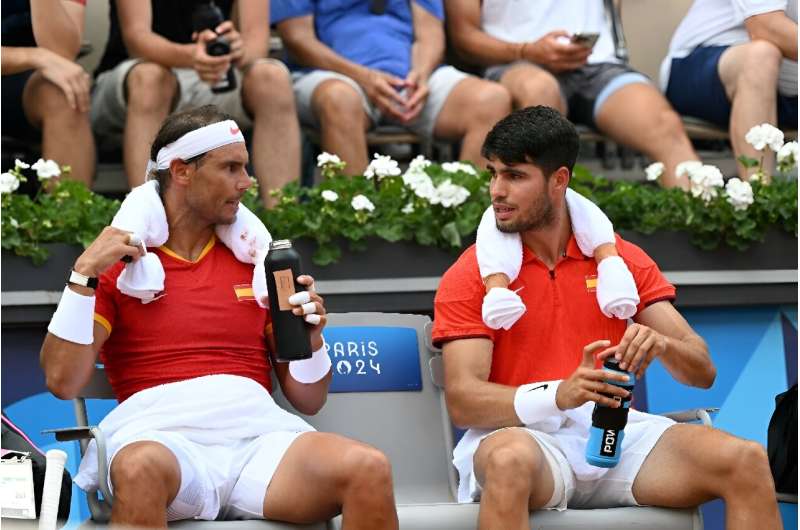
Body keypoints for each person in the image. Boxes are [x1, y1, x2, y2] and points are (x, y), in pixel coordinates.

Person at [40, 106, 399, 529]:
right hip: (162, 440)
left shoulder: (261, 266)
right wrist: (82, 275)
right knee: (139, 469)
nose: (247, 182)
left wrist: (313, 340)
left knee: (368, 467)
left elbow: (309, 398)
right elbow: (62, 381)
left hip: (259, 442)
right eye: (231, 168)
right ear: (181, 172)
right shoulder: (119, 267)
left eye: (245, 168)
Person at [432, 106, 781, 529]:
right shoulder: (471, 273)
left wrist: (663, 344)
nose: (497, 190)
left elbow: (702, 370)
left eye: (515, 176)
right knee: (507, 460)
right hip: (524, 440)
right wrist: (559, 393)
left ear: (559, 180)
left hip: (613, 436)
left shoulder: (623, 260)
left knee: (744, 458)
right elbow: (465, 401)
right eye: (494, 173)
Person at [445, 0, 701, 189]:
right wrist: (527, 50)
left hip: (597, 64)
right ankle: (540, 246)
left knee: (665, 126)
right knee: (540, 99)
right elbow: (463, 37)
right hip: (517, 62)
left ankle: (702, 228)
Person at [90, 0, 300, 208]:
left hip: (218, 77)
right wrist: (192, 56)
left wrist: (237, 50)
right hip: (136, 75)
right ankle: (146, 221)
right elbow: (137, 39)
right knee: (151, 80)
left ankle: (283, 221)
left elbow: (256, 44)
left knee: (273, 79)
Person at [271, 0, 512, 174]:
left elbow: (429, 33)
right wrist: (365, 77)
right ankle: (357, 225)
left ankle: (462, 228)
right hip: (332, 75)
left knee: (492, 99)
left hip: (407, 75)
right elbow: (298, 39)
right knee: (340, 99)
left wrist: (421, 74)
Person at [662, 0, 798, 180]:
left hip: (786, 90)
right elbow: (766, 26)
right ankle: (757, 198)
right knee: (761, 55)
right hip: (700, 68)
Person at [1, 0, 95, 186]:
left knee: (64, 92)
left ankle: (68, 212)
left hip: (21, 84)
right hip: (21, 63)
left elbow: (62, 53)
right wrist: (34, 56)